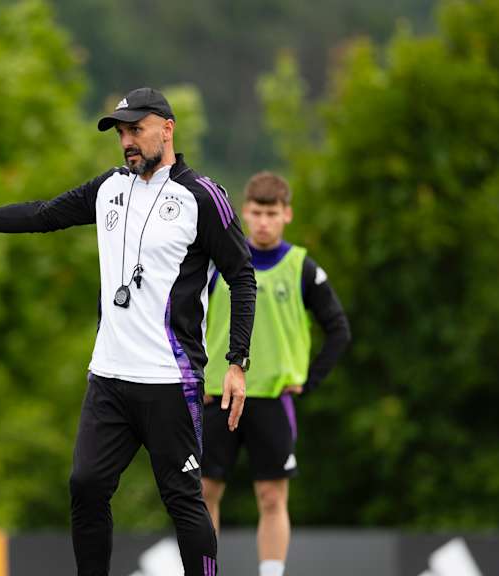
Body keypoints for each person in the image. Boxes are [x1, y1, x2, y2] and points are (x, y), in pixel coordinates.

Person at [0, 86, 256, 576]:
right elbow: (44, 215)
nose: (127, 141)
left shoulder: (202, 197)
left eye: (136, 129)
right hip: (109, 378)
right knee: (86, 485)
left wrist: (237, 362)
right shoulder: (109, 188)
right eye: (121, 132)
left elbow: (242, 275)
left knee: (184, 499)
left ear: (167, 129)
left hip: (170, 379)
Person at [200, 172, 351, 576]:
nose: (263, 222)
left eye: (272, 213)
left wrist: (308, 380)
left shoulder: (302, 268)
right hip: (218, 396)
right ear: (245, 213)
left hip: (272, 398)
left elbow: (338, 329)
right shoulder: (218, 264)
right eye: (257, 213)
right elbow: (185, 322)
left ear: (287, 214)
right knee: (204, 492)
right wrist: (194, 378)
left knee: (271, 496)